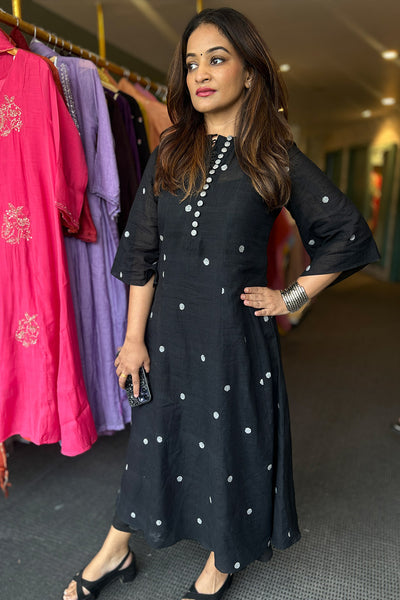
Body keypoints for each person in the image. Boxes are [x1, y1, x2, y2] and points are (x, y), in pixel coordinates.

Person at [63, 8, 379, 600]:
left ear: (250, 72)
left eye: (216, 59)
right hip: (168, 335)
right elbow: (142, 253)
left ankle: (220, 559)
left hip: (234, 339)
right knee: (155, 439)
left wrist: (291, 296)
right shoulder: (170, 151)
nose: (200, 75)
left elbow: (346, 234)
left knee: (230, 443)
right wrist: (133, 339)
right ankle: (115, 547)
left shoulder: (274, 156)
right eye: (191, 64)